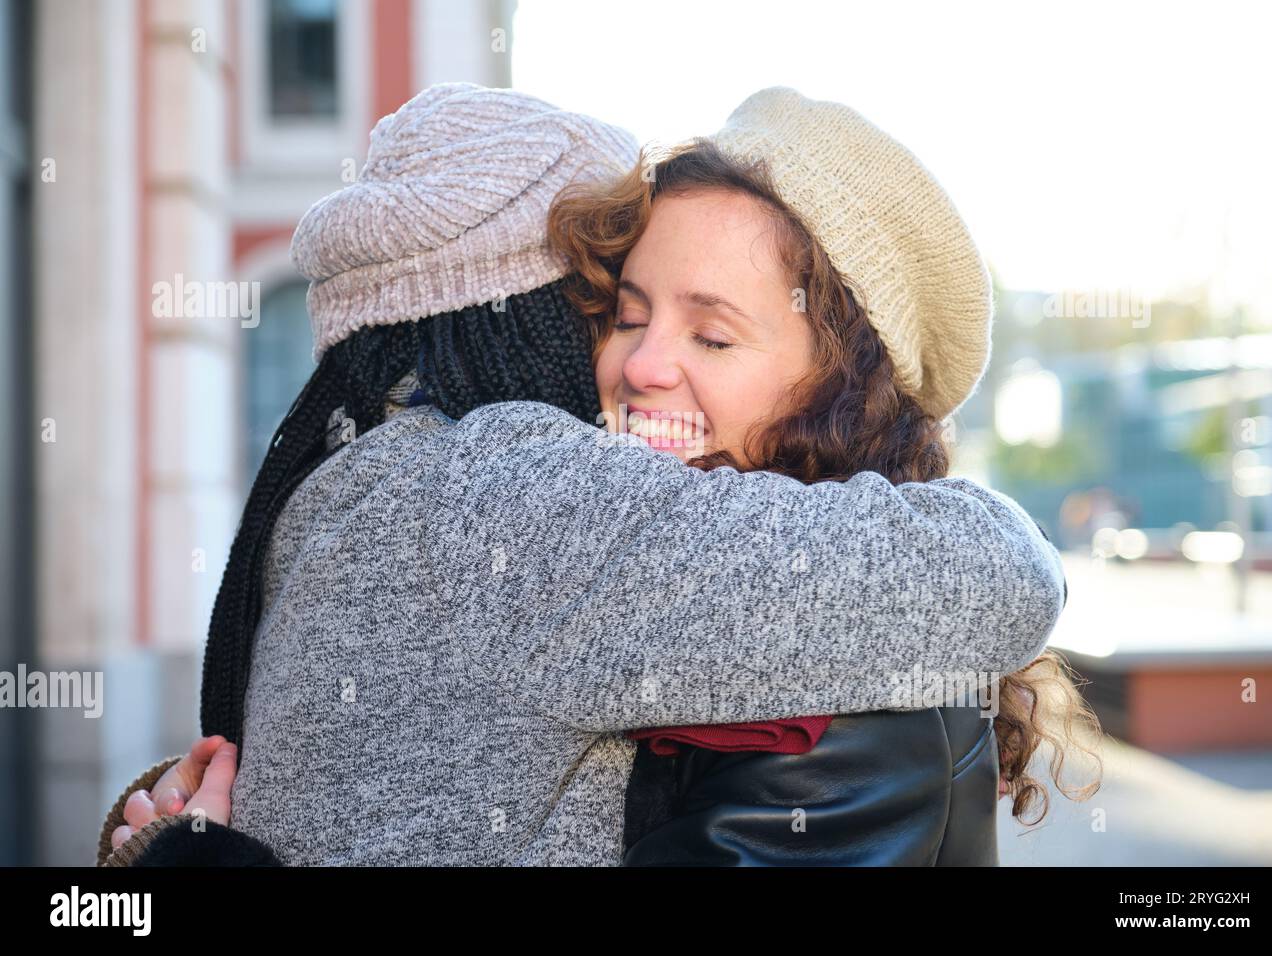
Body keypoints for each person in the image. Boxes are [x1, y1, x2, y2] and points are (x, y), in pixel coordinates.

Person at [96, 83, 1066, 867]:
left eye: (713, 333)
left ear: (844, 392)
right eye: (623, 313)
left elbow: (1003, 579)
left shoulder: (857, 715)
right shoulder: (520, 505)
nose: (642, 363)